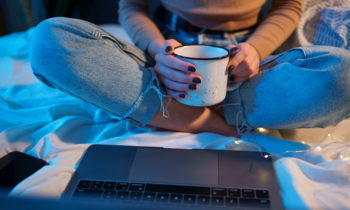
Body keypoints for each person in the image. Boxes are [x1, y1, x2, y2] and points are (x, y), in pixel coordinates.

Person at [29, 1, 350, 139]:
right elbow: (132, 6)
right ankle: (214, 123)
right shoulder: (160, 56)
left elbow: (288, 5)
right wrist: (159, 52)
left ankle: (169, 109)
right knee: (48, 40)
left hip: (243, 63)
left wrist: (255, 50)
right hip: (162, 60)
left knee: (344, 74)